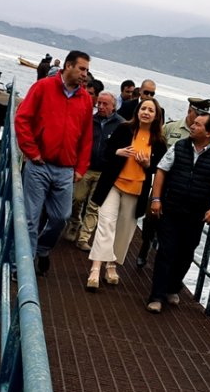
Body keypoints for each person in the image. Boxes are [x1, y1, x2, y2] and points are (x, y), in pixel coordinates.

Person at [14, 50, 93, 275]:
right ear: (68, 66)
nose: (85, 74)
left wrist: (80, 168)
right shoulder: (43, 88)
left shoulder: (85, 99)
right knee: (30, 218)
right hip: (39, 166)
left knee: (61, 216)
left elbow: (86, 137)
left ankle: (43, 247)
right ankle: (24, 268)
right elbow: (22, 118)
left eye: (86, 70)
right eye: (82, 69)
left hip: (66, 170)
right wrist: (32, 151)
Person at [146, 113, 210, 313]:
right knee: (166, 251)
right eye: (193, 124)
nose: (192, 126)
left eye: (198, 125)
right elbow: (161, 170)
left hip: (196, 214)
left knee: (185, 253)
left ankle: (172, 288)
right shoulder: (179, 147)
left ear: (209, 132)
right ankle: (156, 296)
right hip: (171, 208)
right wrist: (156, 199)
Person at [85, 98, 167, 291]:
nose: (146, 112)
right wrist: (118, 152)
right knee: (105, 224)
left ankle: (111, 265)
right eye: (143, 108)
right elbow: (106, 152)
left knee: (124, 229)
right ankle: (96, 267)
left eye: (151, 110)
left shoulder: (159, 141)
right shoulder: (124, 129)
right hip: (113, 184)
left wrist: (148, 165)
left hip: (137, 189)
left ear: (156, 116)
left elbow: (159, 168)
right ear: (137, 111)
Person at [136, 97, 210, 267]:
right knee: (150, 219)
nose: (198, 118)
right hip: (162, 183)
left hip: (183, 189)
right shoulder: (171, 128)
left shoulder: (202, 134)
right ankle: (145, 246)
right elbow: (154, 146)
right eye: (197, 113)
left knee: (172, 227)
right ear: (189, 111)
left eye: (202, 115)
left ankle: (162, 259)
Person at [63, 92, 126, 251]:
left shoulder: (121, 125)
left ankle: (84, 237)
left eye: (106, 104)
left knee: (94, 205)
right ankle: (74, 222)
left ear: (113, 106)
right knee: (77, 199)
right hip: (86, 167)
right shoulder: (90, 120)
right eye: (99, 103)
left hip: (104, 171)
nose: (102, 107)